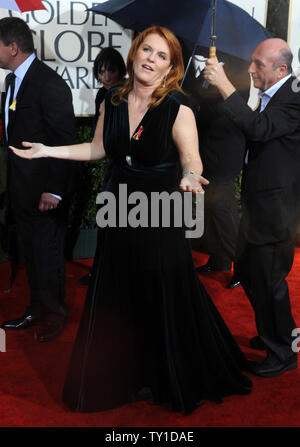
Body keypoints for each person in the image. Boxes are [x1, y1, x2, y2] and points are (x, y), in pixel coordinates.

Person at [10, 26, 252, 414]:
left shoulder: (177, 107)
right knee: (120, 291)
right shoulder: (114, 99)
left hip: (160, 210)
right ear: (134, 52)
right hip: (119, 206)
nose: (150, 59)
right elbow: (97, 148)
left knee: (163, 291)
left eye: (161, 55)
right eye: (146, 50)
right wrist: (46, 151)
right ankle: (125, 372)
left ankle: (166, 371)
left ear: (171, 66)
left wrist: (190, 175)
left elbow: (191, 159)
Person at [204, 38, 300, 377]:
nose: (250, 68)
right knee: (247, 272)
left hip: (277, 213)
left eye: (258, 64)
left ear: (281, 70)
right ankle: (273, 333)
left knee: (270, 281)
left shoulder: (295, 99)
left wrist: (224, 84)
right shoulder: (271, 96)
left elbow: (259, 130)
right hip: (257, 207)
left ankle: (286, 351)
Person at [0, 17, 76, 342]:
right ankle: (35, 309)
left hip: (45, 191)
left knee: (47, 253)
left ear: (13, 48)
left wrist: (54, 190)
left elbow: (64, 141)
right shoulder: (13, 82)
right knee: (31, 253)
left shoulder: (49, 83)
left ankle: (54, 314)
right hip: (21, 188)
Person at [77, 47, 126, 285]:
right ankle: (102, 271)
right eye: (101, 71)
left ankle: (109, 273)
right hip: (110, 164)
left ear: (121, 71)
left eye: (111, 70)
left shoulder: (124, 94)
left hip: (127, 168)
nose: (105, 76)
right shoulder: (101, 95)